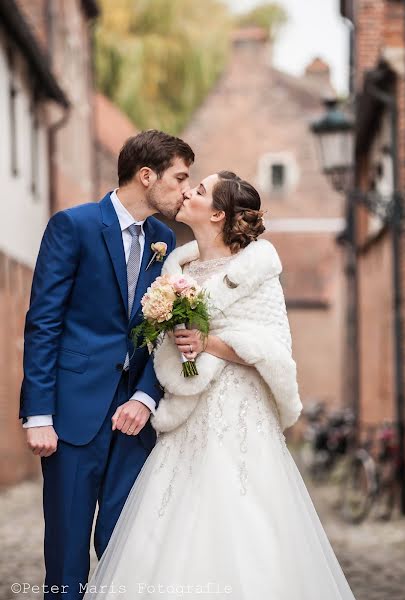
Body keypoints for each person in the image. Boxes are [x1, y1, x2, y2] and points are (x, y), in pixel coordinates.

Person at [83, 171, 357, 599]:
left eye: (200, 189)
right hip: (186, 411)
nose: (188, 191)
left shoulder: (255, 268)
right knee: (170, 520)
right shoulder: (178, 268)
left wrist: (208, 342)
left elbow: (273, 346)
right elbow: (162, 346)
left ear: (216, 213)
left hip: (238, 411)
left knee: (242, 516)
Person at [19, 130, 195, 600]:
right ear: (146, 176)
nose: (185, 189)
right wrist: (38, 415)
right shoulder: (72, 226)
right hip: (73, 416)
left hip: (135, 421)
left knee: (128, 547)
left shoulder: (164, 240)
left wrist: (145, 395)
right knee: (68, 552)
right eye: (179, 178)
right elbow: (44, 324)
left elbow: (160, 333)